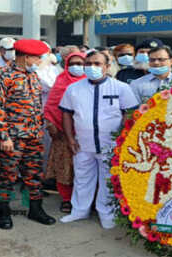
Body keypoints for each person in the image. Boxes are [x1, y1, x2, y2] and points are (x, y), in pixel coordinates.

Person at [58, 50, 137, 229]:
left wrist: (123, 139)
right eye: (88, 64)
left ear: (107, 67)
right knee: (82, 177)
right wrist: (70, 139)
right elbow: (66, 114)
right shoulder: (73, 89)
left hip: (110, 145)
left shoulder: (121, 88)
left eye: (97, 64)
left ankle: (106, 214)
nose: (91, 67)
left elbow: (130, 113)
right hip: (82, 144)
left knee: (108, 179)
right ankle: (79, 211)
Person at [0, 39, 56, 230]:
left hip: (34, 134)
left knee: (34, 174)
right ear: (26, 57)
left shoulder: (32, 76)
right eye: (38, 58)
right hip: (13, 137)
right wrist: (3, 136)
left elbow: (35, 105)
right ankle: (2, 211)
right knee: (6, 176)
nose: (40, 61)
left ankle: (36, 209)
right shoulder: (1, 76)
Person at [44, 52, 86, 213]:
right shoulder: (61, 81)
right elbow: (51, 105)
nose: (77, 67)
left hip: (84, 133)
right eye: (73, 63)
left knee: (83, 168)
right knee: (64, 167)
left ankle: (83, 198)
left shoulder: (90, 83)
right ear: (67, 65)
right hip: (61, 133)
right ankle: (66, 199)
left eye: (81, 63)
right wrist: (51, 123)